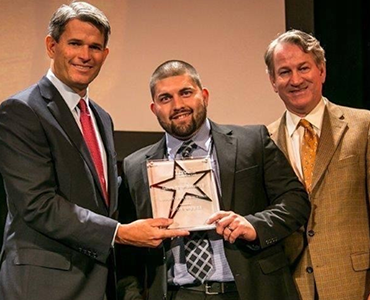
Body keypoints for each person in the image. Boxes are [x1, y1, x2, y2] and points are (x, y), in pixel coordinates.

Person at [0, 3, 186, 300]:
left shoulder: (101, 117)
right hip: (43, 285)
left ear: (105, 55)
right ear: (51, 45)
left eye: (95, 47)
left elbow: (103, 197)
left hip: (99, 284)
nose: (86, 56)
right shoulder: (21, 110)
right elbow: (37, 203)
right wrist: (120, 233)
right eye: (75, 44)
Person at [119, 60, 311, 300]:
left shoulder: (251, 141)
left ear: (205, 96)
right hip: (179, 294)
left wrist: (254, 226)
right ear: (154, 108)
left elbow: (295, 201)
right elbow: (126, 252)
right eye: (165, 98)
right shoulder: (135, 167)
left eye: (186, 93)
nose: (178, 105)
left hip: (250, 290)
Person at [265, 29, 370, 300]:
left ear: (321, 71)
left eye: (304, 68)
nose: (296, 79)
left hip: (357, 287)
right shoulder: (263, 141)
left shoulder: (365, 126)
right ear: (273, 81)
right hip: (291, 288)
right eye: (285, 72)